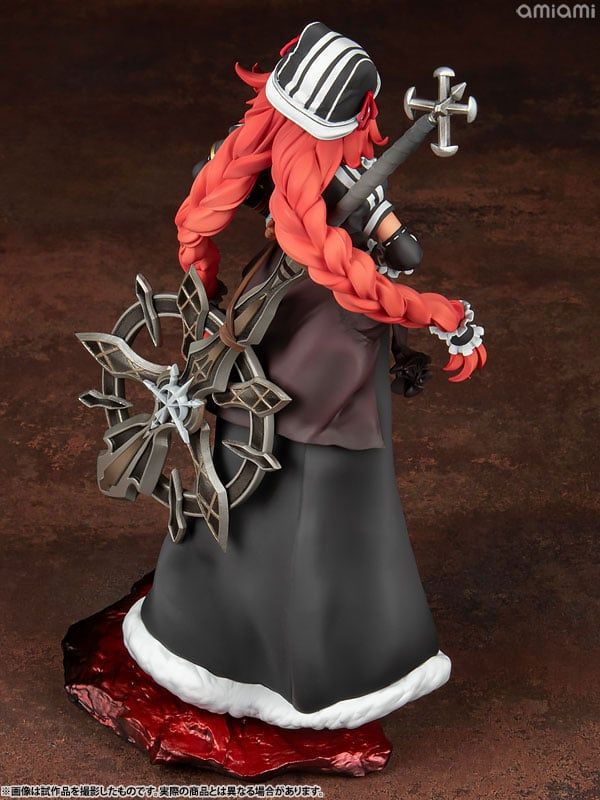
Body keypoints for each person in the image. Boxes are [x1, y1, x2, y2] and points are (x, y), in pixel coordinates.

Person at [123, 21, 486, 731]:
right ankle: (309, 659)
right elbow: (403, 256)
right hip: (312, 325)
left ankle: (219, 636)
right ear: (359, 117)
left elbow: (220, 199)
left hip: (284, 315)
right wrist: (437, 307)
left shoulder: (284, 164)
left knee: (263, 466)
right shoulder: (310, 177)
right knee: (312, 479)